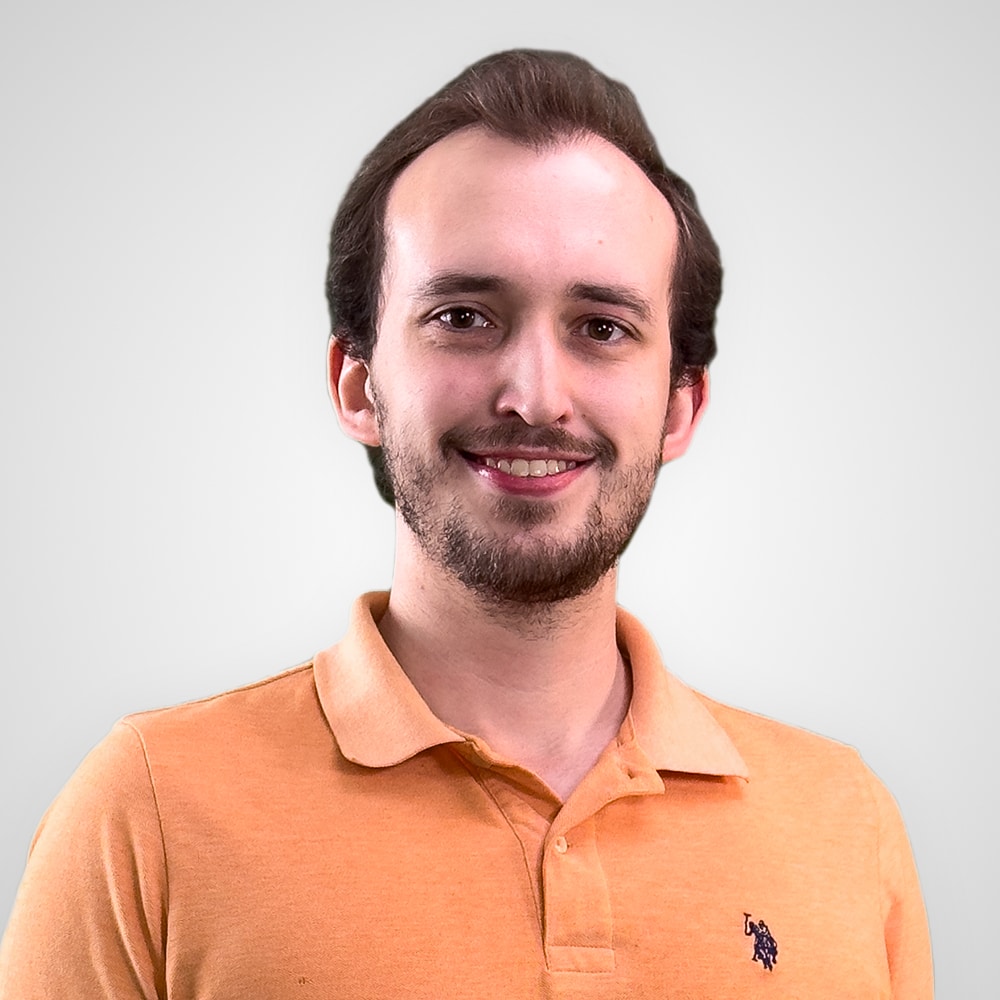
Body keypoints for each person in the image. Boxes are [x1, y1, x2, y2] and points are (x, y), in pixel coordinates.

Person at [0, 49, 932, 998]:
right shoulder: (147, 812)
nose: (534, 397)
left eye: (601, 327)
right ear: (357, 385)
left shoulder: (843, 822)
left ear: (681, 406)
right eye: (463, 316)